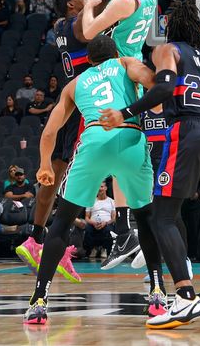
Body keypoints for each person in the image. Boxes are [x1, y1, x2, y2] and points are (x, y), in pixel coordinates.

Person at [96, 0, 200, 328]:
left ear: (169, 28)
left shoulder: (168, 51)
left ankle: (184, 297)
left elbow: (164, 87)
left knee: (163, 217)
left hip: (186, 133)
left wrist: (123, 113)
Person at [23, 36, 163, 325]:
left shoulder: (74, 84)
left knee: (62, 221)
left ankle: (39, 300)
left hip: (95, 141)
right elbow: (152, 82)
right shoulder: (126, 62)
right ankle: (158, 293)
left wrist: (45, 164)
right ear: (115, 53)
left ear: (89, 61)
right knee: (147, 219)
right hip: (130, 135)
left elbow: (50, 131)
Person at [79, 0, 178, 268]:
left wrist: (89, 6)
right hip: (136, 67)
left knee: (109, 144)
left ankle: (127, 230)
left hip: (117, 71)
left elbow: (90, 34)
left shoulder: (126, 0)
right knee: (126, 148)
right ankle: (127, 230)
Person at [84, 181, 116, 256]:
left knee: (108, 230)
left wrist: (106, 222)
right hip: (93, 223)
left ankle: (104, 249)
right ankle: (94, 248)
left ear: (106, 188)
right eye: (98, 187)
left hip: (107, 223)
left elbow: (114, 218)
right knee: (88, 228)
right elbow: (86, 217)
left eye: (101, 186)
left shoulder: (111, 201)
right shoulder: (91, 201)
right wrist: (93, 223)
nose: (99, 189)